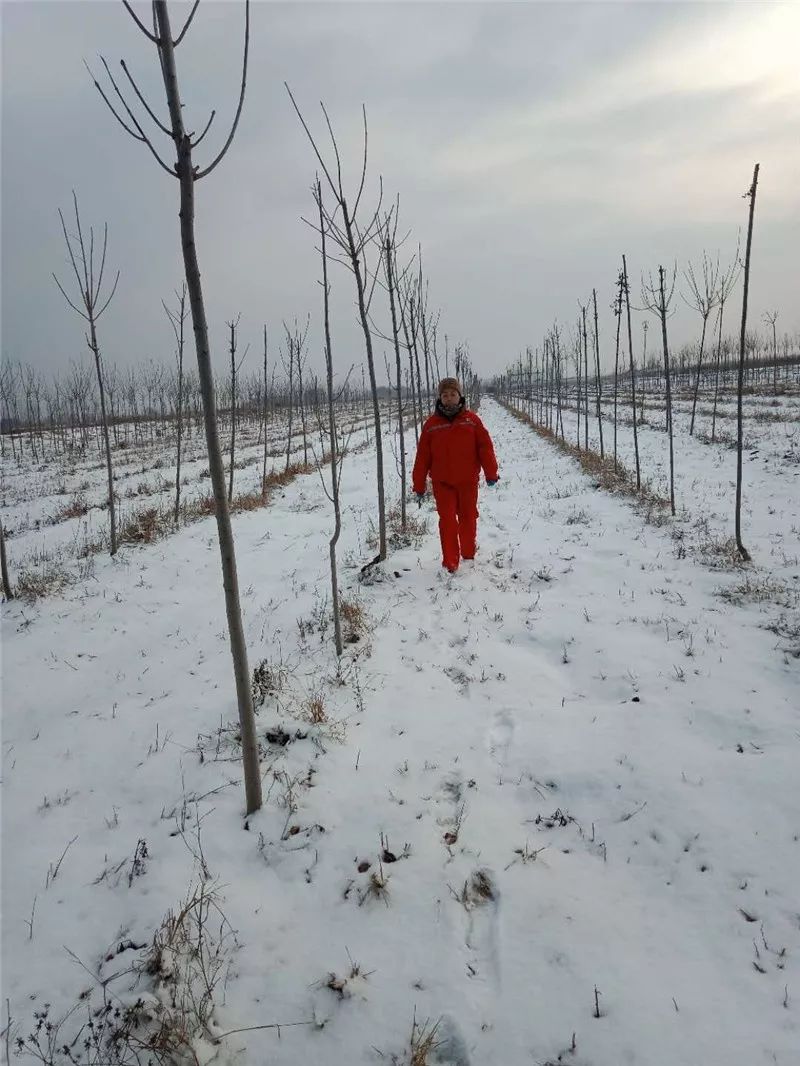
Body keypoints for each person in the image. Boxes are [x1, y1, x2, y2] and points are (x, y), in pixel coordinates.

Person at [412, 377, 499, 574]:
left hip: (468, 481)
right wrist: (419, 485)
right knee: (448, 520)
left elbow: (485, 447)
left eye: (453, 394)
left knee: (468, 518)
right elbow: (422, 457)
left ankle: (468, 553)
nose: (449, 398)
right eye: (445, 395)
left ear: (460, 396)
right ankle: (450, 562)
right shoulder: (431, 425)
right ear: (439, 398)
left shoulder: (472, 420)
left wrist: (491, 472)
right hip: (443, 483)